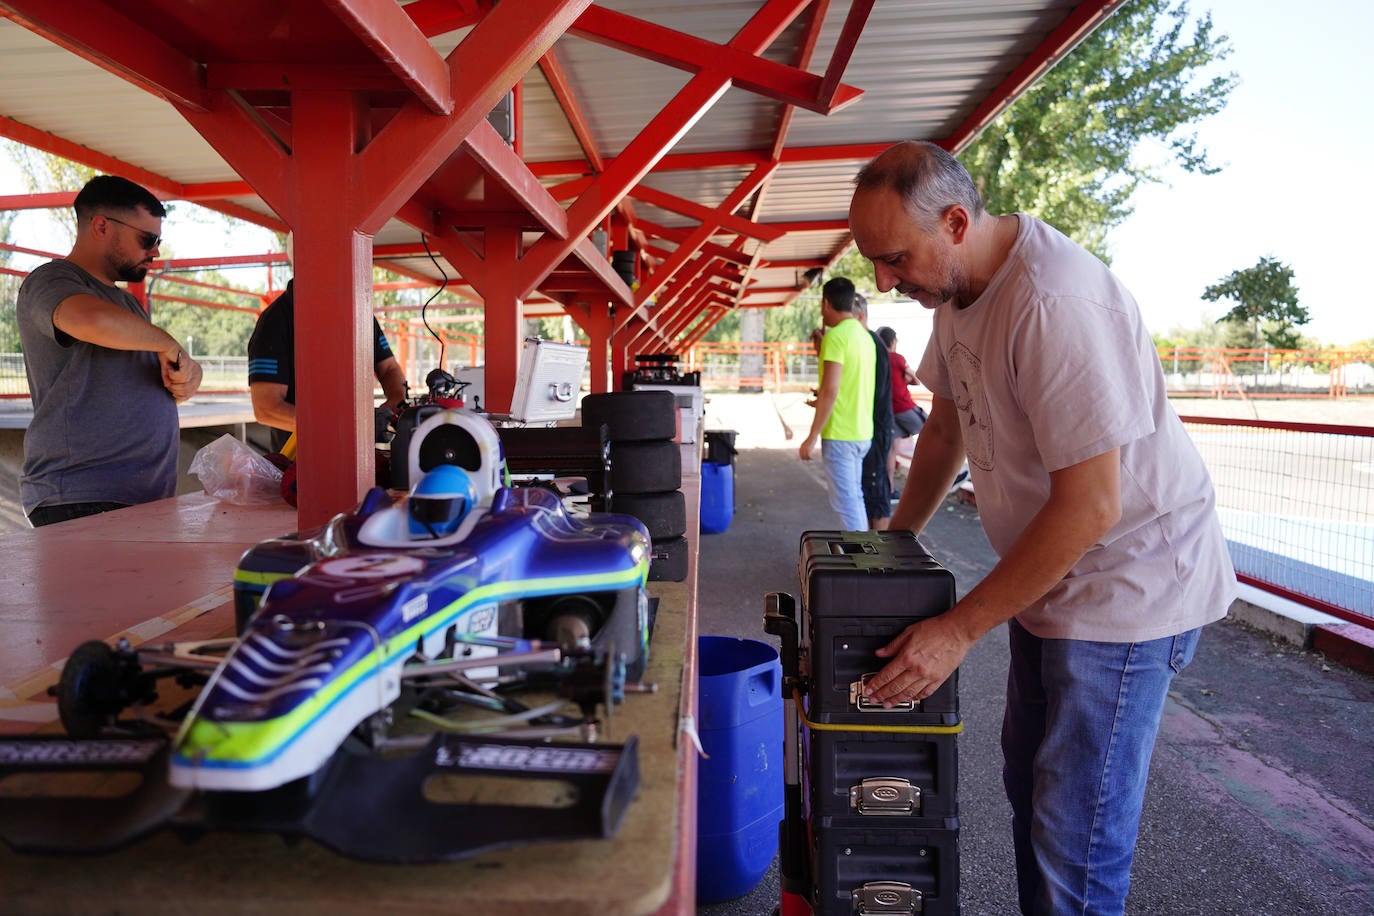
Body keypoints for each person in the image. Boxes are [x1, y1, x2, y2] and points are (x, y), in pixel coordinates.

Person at [848, 140, 1235, 915]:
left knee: (1077, 842)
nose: (885, 284)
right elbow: (946, 432)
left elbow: (1093, 506)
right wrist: (893, 540)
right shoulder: (956, 291)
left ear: (956, 221)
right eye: (874, 265)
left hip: (1129, 589)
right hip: (1050, 578)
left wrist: (958, 630)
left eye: (894, 259)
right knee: (1030, 795)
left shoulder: (1055, 301)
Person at [16, 174, 203, 528]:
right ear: (101, 226)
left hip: (133, 499)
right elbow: (88, 319)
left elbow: (150, 375)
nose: (155, 251)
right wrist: (167, 343)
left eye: (157, 240)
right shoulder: (51, 281)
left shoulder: (126, 304)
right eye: (146, 239)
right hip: (82, 497)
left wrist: (188, 375)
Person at [247, 272, 407, 452]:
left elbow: (389, 368)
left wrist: (396, 402)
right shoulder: (275, 321)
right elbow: (266, 408)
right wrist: (342, 428)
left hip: (357, 453)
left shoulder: (359, 313)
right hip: (299, 461)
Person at [798, 276, 875, 531]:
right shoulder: (865, 337)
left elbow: (830, 391)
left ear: (826, 303)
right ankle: (863, 558)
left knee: (846, 504)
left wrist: (811, 437)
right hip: (862, 431)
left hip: (840, 434)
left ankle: (862, 566)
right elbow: (845, 386)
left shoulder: (836, 338)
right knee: (854, 500)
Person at [851, 295, 893, 529]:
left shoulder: (871, 344)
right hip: (867, 426)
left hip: (876, 426)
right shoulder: (864, 342)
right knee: (866, 490)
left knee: (876, 491)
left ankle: (880, 554)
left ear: (860, 316)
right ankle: (869, 549)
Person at [877, 325, 926, 493]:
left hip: (887, 411)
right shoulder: (897, 358)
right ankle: (943, 471)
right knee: (933, 430)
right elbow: (916, 380)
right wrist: (908, 375)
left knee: (890, 449)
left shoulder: (877, 358)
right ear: (893, 341)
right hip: (904, 407)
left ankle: (889, 489)